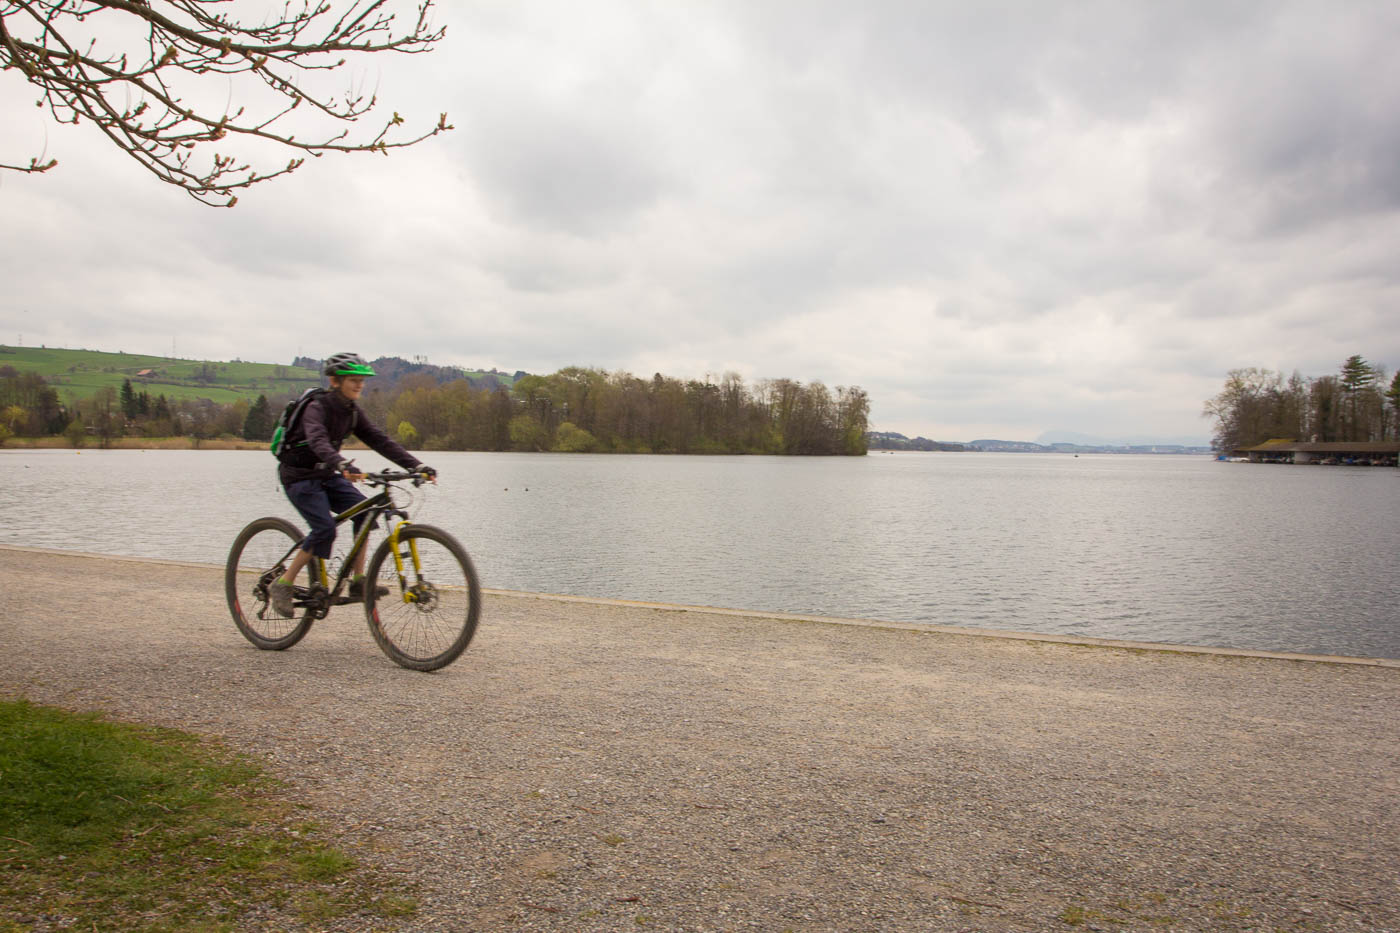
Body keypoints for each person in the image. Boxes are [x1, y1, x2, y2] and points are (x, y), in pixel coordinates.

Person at [269, 352, 435, 618]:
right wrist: (341, 463)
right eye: (353, 380)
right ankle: (283, 583)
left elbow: (380, 441)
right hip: (299, 476)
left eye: (361, 380)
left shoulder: (352, 412)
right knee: (324, 529)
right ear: (335, 381)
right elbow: (317, 440)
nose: (359, 384)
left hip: (327, 474)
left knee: (366, 512)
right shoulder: (316, 407)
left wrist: (416, 466)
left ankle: (358, 582)